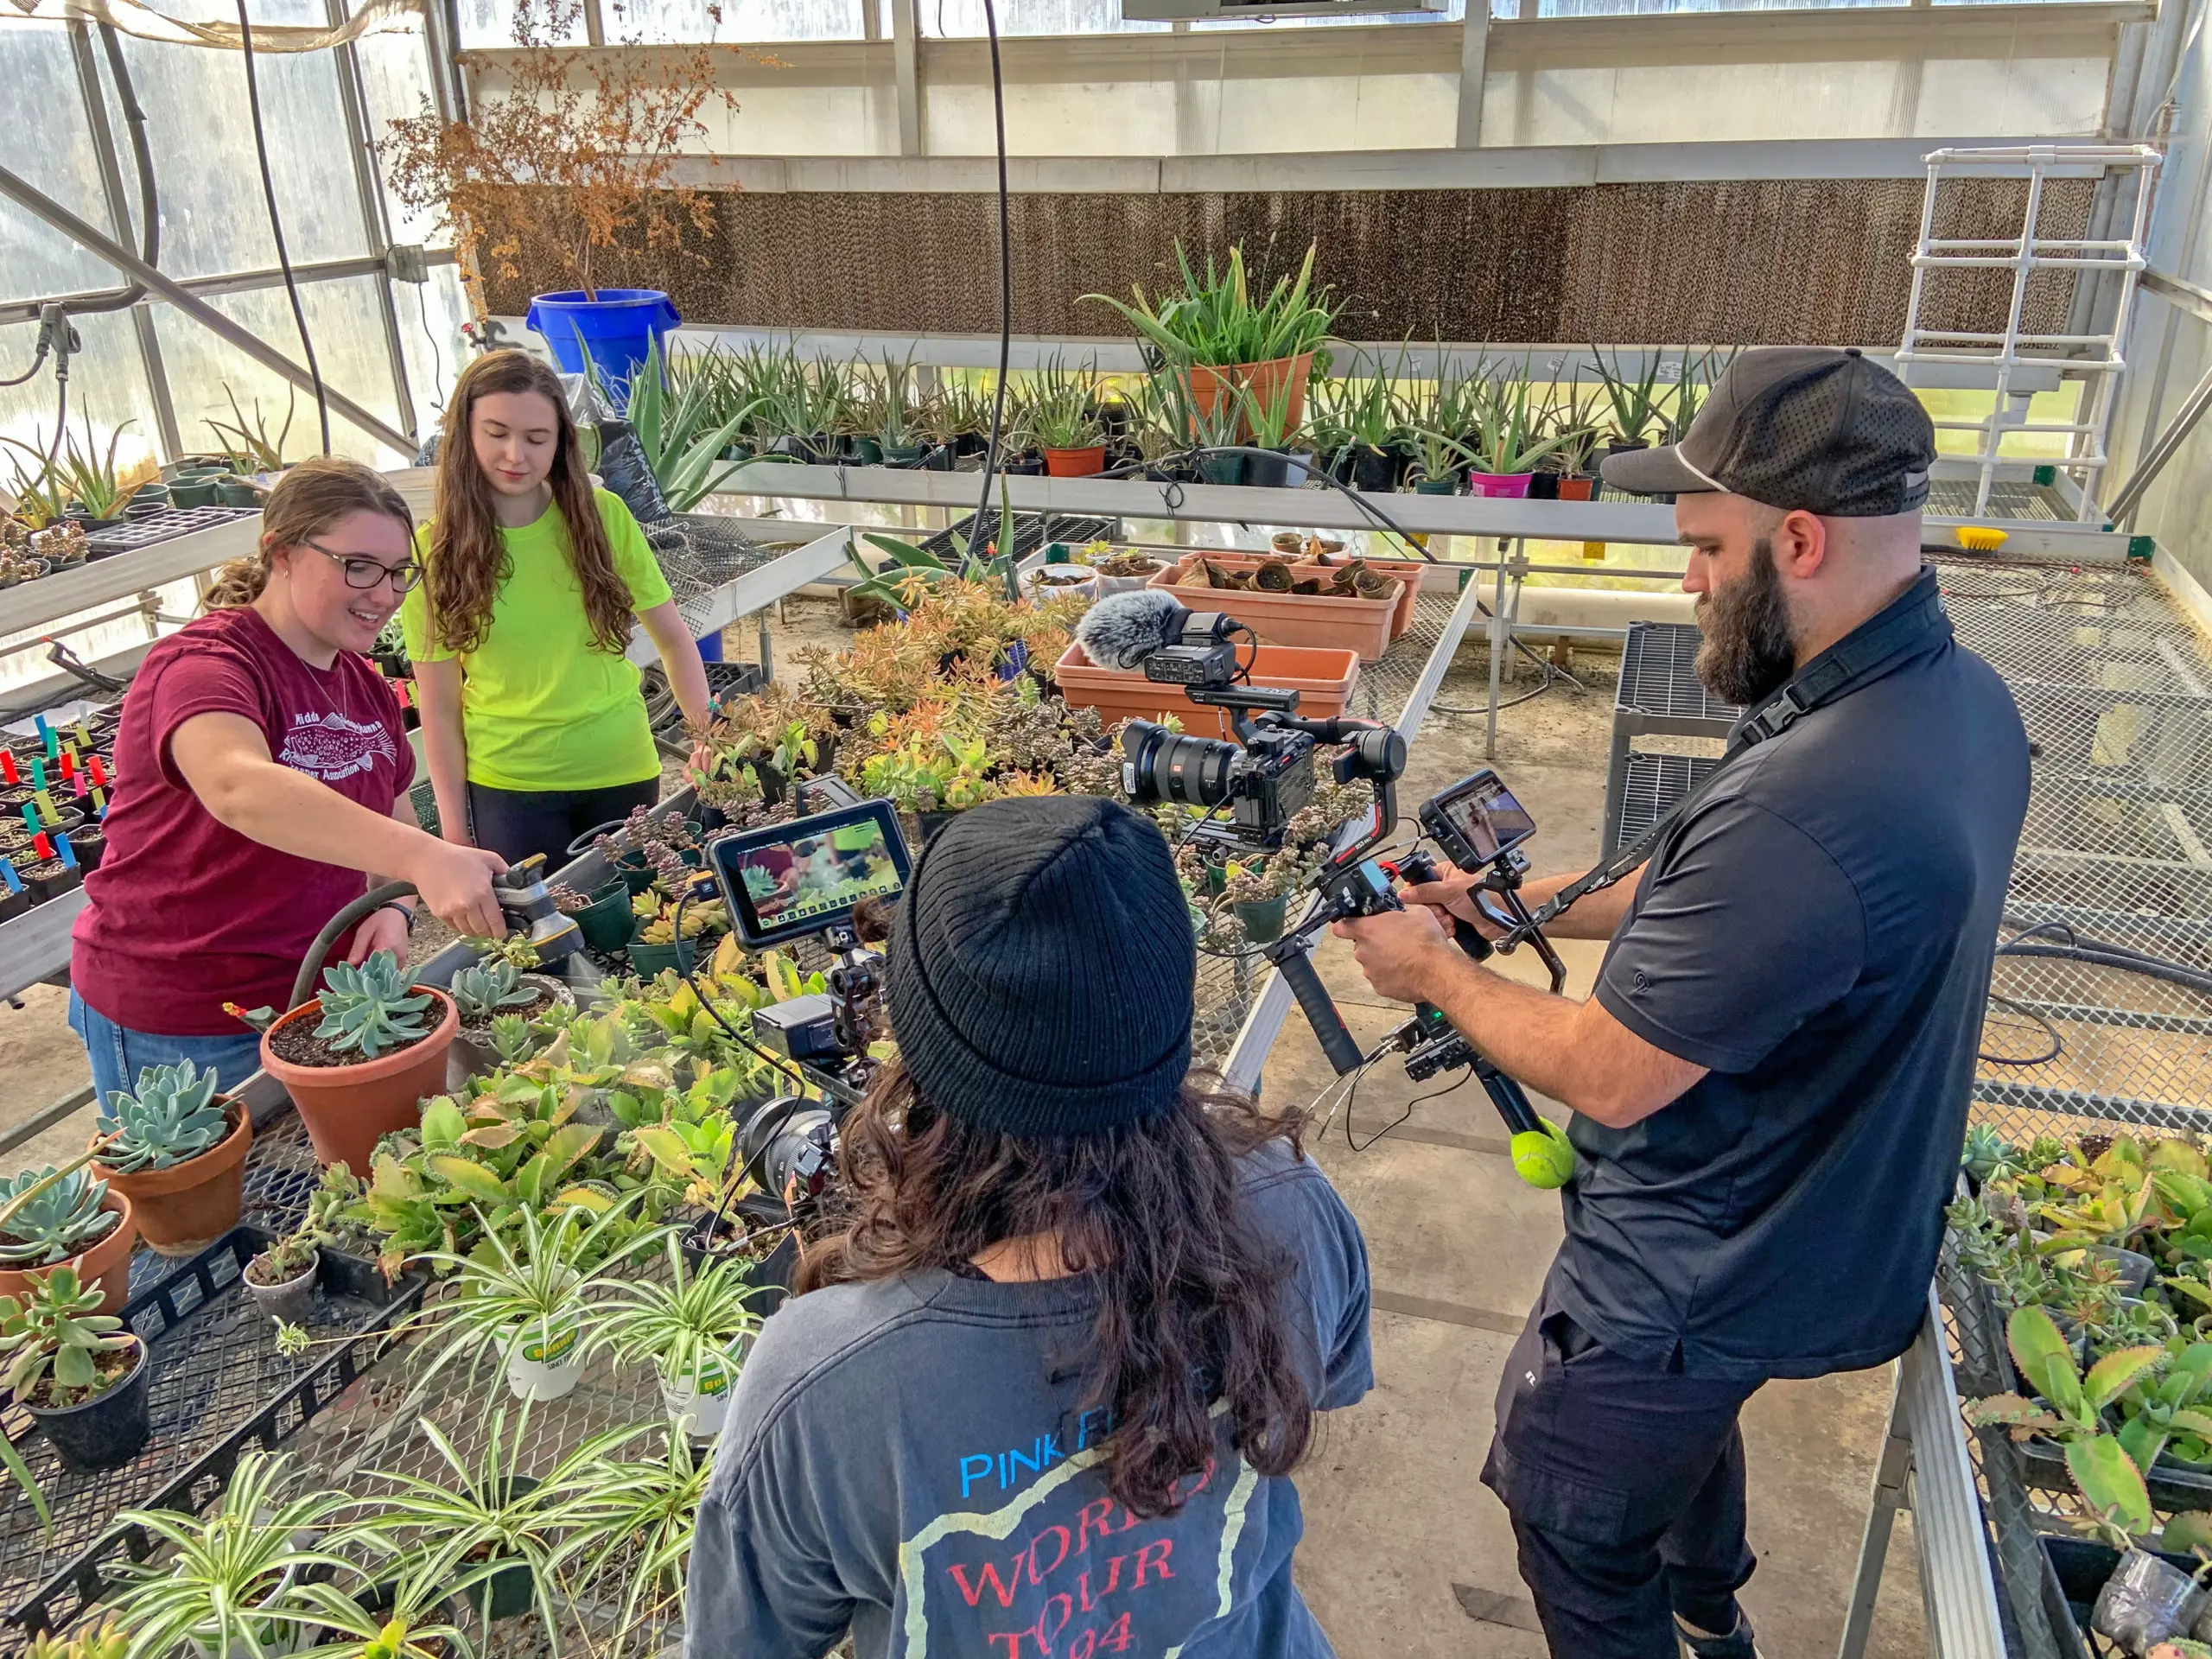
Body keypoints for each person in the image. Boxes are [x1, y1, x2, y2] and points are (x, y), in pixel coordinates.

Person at [1332, 347, 2030, 1659]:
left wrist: (1436, 972)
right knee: (1682, 1446)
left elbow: (1608, 1069)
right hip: (1825, 1215)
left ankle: (1678, 1619)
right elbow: (1717, 896)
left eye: (1708, 547)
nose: (1690, 580)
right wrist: (1501, 905)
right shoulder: (1951, 706)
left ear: (1802, 539)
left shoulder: (1810, 808)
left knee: (1568, 1506)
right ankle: (1712, 1612)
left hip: (1700, 1263)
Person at [687, 795, 1373, 1659]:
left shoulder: (825, 1381)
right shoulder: (1291, 1205)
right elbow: (1327, 1384)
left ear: (914, 1053)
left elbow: (745, 1641)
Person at [68, 458, 509, 1102]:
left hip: (319, 1002)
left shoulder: (362, 686)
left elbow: (392, 822)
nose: (384, 595)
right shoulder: (206, 664)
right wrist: (425, 857)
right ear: (281, 553)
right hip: (185, 1017)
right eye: (357, 566)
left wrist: (394, 904)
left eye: (397, 574)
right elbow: (237, 787)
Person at [403, 348, 713, 869]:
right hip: (509, 786)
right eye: (496, 433)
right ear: (464, 434)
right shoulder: (433, 552)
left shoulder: (603, 517)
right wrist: (453, 835)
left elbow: (675, 639)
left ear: (561, 442)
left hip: (620, 769)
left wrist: (707, 738)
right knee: (539, 945)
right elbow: (437, 706)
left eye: (536, 438)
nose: (515, 455)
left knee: (640, 930)